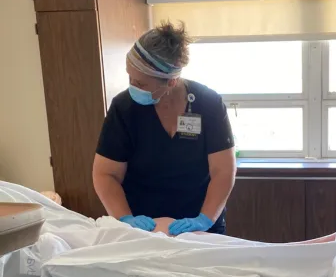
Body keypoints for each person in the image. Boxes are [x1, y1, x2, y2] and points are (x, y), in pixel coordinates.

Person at [92, 22, 236, 235]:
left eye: (140, 83)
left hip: (198, 225)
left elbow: (223, 171)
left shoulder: (208, 104)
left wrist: (204, 220)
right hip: (144, 228)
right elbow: (105, 174)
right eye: (129, 77)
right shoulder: (124, 108)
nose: (132, 86)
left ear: (170, 82)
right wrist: (125, 218)